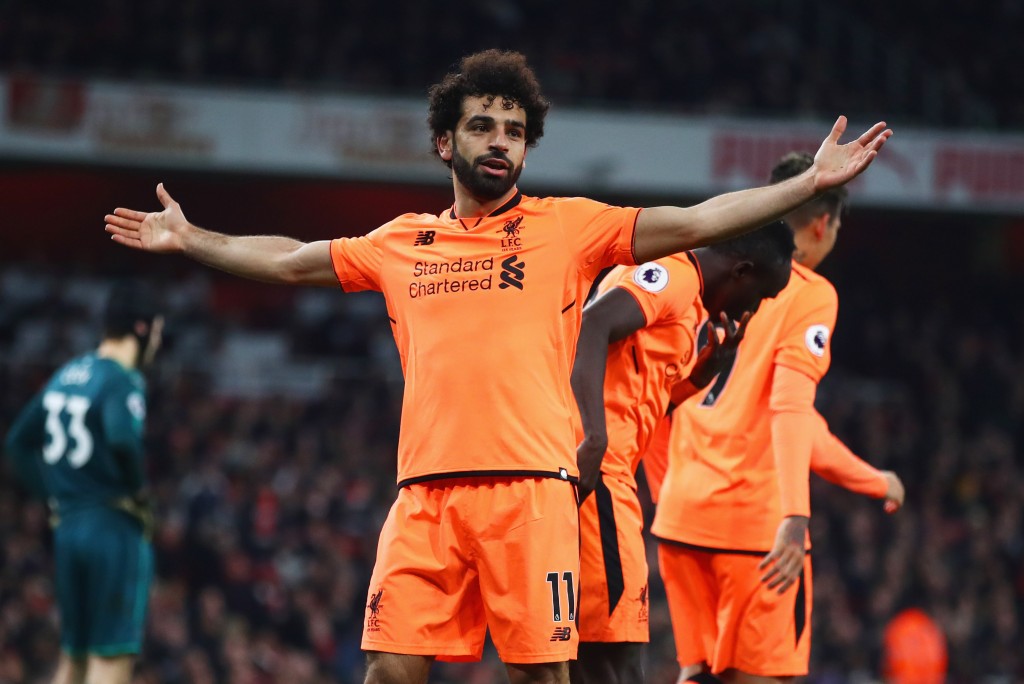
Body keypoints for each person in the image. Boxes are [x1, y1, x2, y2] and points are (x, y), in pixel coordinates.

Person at [103, 49, 892, 684]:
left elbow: (695, 220)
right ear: (446, 142)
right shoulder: (401, 241)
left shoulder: (568, 231)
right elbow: (289, 263)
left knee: (542, 678)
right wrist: (193, 238)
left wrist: (802, 190)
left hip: (530, 493)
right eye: (482, 127)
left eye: (514, 131)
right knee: (389, 668)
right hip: (424, 495)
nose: (499, 143)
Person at [650, 150, 901, 684]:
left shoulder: (713, 271)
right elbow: (792, 409)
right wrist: (796, 515)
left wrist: (665, 492)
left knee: (696, 673)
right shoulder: (809, 294)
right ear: (820, 224)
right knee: (765, 677)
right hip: (754, 527)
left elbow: (661, 389)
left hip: (680, 518)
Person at [569, 221, 796, 684]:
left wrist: (703, 374)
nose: (754, 308)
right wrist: (593, 437)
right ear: (742, 271)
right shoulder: (672, 276)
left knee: (586, 657)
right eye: (760, 295)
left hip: (606, 475)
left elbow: (641, 399)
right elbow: (591, 325)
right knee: (617, 658)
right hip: (601, 479)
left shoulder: (688, 308)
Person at [4, 283, 163, 684]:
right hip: (111, 526)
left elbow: (18, 442)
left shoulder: (68, 373)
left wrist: (53, 498)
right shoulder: (122, 379)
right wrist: (138, 492)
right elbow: (122, 438)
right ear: (141, 329)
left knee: (72, 660)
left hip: (69, 527)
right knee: (108, 661)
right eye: (158, 333)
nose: (159, 345)